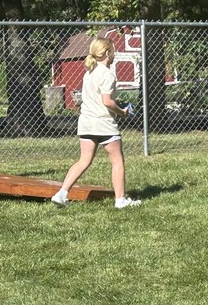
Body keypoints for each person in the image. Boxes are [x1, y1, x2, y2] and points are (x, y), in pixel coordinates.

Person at [51, 37, 141, 209]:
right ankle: (120, 200)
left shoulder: (89, 72)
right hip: (103, 123)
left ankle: (61, 193)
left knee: (84, 160)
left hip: (85, 122)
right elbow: (107, 101)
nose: (115, 54)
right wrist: (122, 112)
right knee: (117, 160)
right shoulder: (107, 74)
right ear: (107, 53)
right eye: (113, 51)